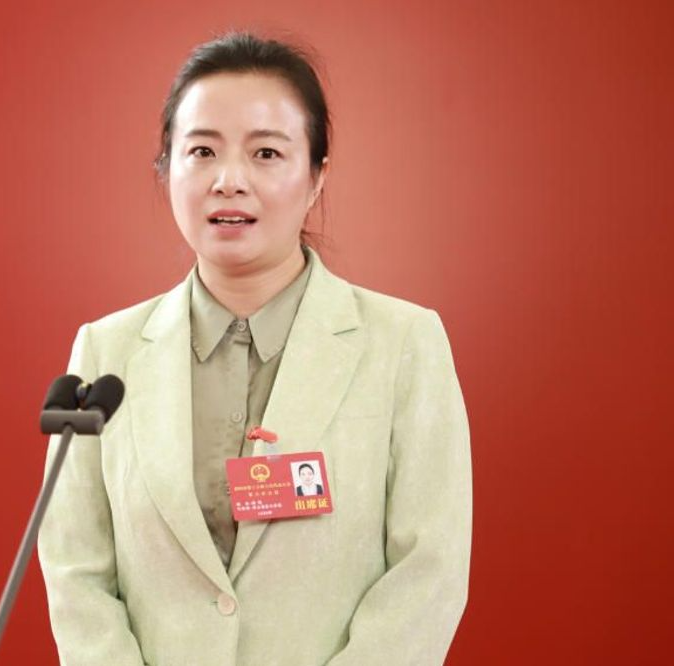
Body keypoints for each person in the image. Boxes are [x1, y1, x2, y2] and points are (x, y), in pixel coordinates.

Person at [37, 31, 471, 666]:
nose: (229, 181)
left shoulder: (403, 344)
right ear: (167, 168)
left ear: (317, 176)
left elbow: (429, 572)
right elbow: (76, 570)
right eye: (202, 151)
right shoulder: (106, 352)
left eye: (266, 153)